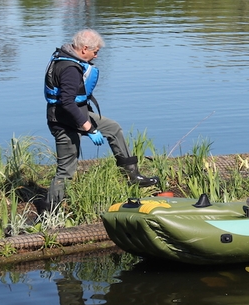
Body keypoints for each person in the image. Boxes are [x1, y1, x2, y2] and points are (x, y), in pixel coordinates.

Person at [38, 29, 159, 213]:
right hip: (64, 121)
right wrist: (89, 128)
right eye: (95, 52)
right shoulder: (70, 68)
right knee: (66, 168)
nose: (97, 55)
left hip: (70, 116)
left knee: (112, 128)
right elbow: (68, 103)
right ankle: (50, 210)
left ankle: (133, 174)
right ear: (84, 48)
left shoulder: (65, 58)